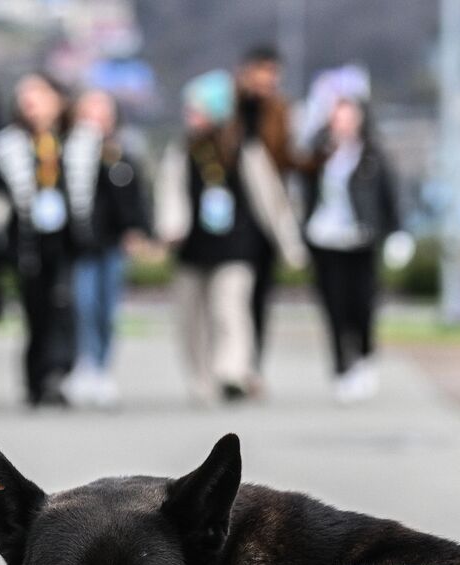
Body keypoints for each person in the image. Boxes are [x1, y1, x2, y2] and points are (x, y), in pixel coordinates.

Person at [154, 70, 306, 404]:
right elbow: (170, 194)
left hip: (237, 247)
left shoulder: (245, 149)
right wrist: (170, 228)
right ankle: (200, 379)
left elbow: (271, 200)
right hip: (192, 249)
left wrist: (289, 245)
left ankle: (232, 370)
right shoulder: (182, 150)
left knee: (230, 309)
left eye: (196, 109)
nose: (189, 115)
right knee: (190, 320)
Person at [0, 73, 77, 407]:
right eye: (25, 96)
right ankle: (38, 379)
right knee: (36, 314)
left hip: (68, 243)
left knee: (66, 309)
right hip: (27, 245)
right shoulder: (5, 145)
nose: (30, 103)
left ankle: (60, 373)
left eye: (38, 94)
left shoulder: (74, 141)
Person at [301, 96, 399, 403]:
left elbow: (388, 195)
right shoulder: (320, 154)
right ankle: (341, 369)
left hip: (360, 241)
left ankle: (365, 358)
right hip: (325, 240)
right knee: (334, 309)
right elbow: (304, 191)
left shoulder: (372, 154)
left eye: (347, 117)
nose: (341, 123)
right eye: (337, 118)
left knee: (362, 306)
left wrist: (396, 232)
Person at [63, 90, 151, 409]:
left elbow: (133, 198)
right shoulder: (68, 152)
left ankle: (102, 367)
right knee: (83, 304)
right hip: (81, 245)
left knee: (107, 309)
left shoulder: (120, 154)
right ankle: (84, 362)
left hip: (111, 245)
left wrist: (136, 230)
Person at [234, 44, 299, 375]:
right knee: (232, 296)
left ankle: (252, 364)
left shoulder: (280, 111)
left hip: (265, 217)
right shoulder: (229, 107)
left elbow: (287, 158)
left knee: (259, 295)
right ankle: (231, 361)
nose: (266, 81)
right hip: (232, 214)